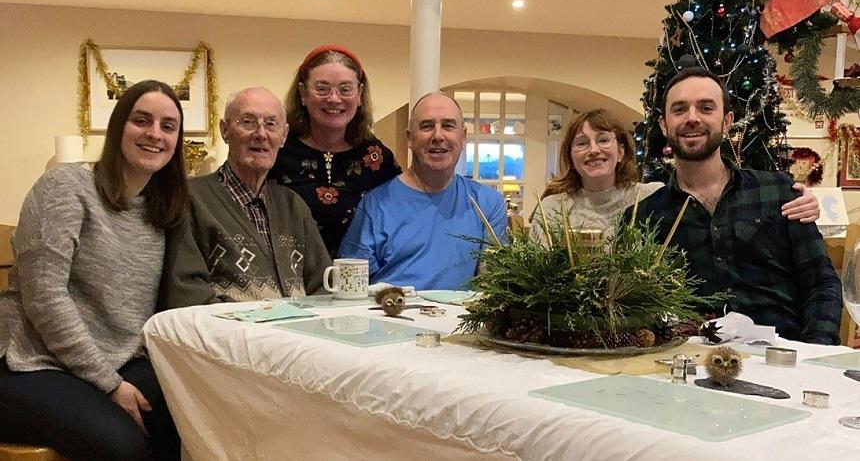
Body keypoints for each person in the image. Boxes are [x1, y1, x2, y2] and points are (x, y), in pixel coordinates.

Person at [0, 80, 185, 460]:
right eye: (141, 120)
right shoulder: (65, 187)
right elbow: (45, 298)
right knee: (125, 447)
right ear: (118, 127)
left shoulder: (161, 210)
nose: (154, 134)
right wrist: (109, 384)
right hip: (30, 362)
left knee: (190, 417)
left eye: (168, 126)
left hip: (115, 359)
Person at [626, 67, 842, 344]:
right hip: (688, 364)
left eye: (706, 107)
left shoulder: (778, 193)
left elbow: (821, 284)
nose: (692, 118)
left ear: (726, 121)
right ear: (664, 125)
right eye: (679, 109)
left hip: (784, 357)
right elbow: (635, 309)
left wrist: (814, 352)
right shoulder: (642, 218)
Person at [533, 108, 820, 242]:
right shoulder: (553, 210)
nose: (593, 150)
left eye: (603, 140)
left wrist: (806, 200)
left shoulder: (651, 198)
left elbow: (707, 198)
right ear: (570, 156)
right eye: (581, 144)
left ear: (621, 151)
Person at [161, 87, 330, 308]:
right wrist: (261, 322)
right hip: (229, 338)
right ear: (225, 130)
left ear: (284, 136)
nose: (261, 134)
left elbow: (325, 286)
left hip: (295, 339)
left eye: (271, 124)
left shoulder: (293, 205)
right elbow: (185, 293)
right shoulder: (190, 200)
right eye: (248, 122)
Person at [340, 92, 507, 291]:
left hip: (457, 320)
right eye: (427, 126)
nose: (438, 136)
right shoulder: (376, 204)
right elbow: (348, 288)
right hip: (390, 317)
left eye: (448, 125)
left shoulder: (488, 204)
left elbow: (492, 290)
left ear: (463, 137)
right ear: (410, 138)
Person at [269, 45, 401, 257]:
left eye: (345, 89)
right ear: (303, 94)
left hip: (360, 283)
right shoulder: (277, 151)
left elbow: (398, 219)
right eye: (322, 88)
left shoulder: (378, 158)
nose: (333, 98)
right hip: (289, 279)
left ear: (359, 94)